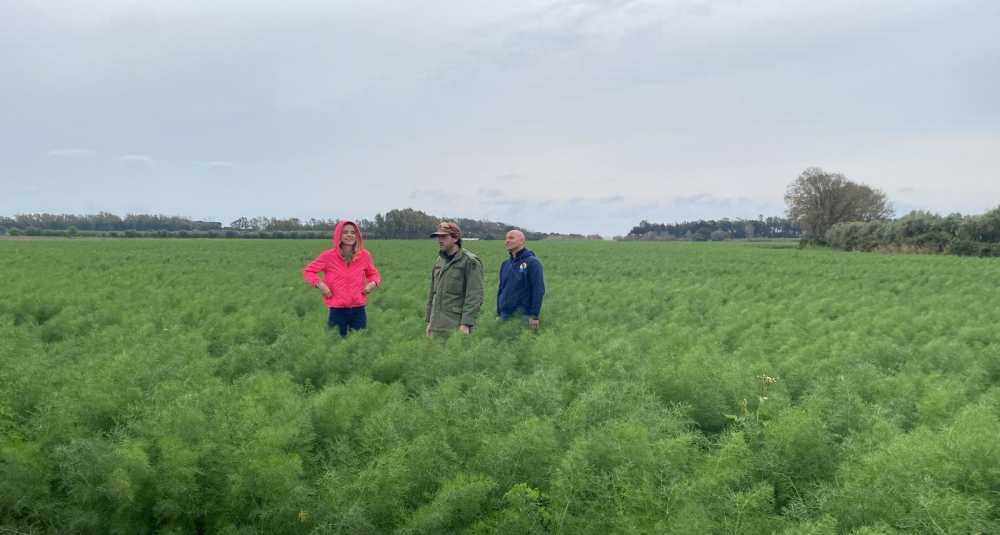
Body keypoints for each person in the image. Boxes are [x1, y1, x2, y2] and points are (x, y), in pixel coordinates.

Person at [303, 220, 380, 336]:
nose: (349, 235)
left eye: (353, 232)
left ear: (357, 236)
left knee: (359, 345)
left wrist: (372, 284)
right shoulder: (328, 256)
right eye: (345, 232)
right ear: (338, 235)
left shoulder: (364, 255)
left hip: (358, 310)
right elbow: (308, 271)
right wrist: (321, 285)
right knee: (335, 344)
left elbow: (374, 274)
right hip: (337, 310)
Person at [425, 221, 483, 337]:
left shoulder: (470, 262)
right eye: (438, 237)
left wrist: (466, 324)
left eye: (444, 236)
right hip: (436, 325)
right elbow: (433, 293)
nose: (439, 240)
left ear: (455, 238)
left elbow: (474, 295)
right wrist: (429, 321)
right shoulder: (439, 261)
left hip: (456, 327)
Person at [497, 229, 545, 330]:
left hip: (523, 317)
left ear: (522, 241)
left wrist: (534, 315)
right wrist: (499, 312)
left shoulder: (533, 263)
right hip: (505, 315)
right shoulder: (505, 264)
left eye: (511, 238)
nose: (507, 241)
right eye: (506, 238)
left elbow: (538, 290)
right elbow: (501, 289)